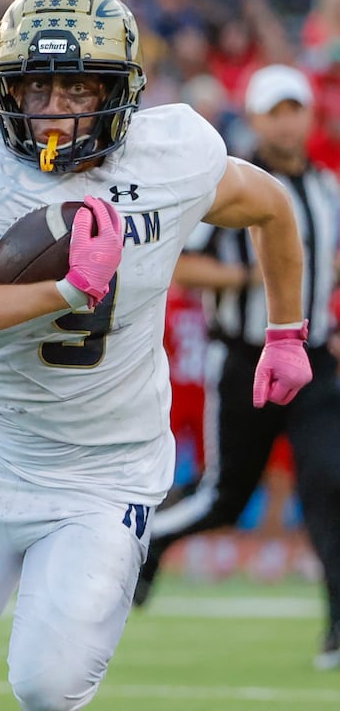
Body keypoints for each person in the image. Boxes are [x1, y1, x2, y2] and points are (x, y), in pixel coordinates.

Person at [0, 0, 311, 711]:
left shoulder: (169, 157)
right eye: (37, 88)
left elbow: (275, 207)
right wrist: (63, 291)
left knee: (48, 687)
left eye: (78, 89)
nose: (55, 112)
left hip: (108, 475)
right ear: (5, 91)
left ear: (119, 90)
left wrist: (286, 331)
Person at [135, 64, 340, 670]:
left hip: (315, 361)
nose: (286, 121)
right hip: (245, 356)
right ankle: (149, 545)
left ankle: (338, 628)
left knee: (331, 485)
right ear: (254, 118)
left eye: (294, 109)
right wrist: (259, 275)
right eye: (274, 111)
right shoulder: (230, 184)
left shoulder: (329, 187)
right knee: (226, 495)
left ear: (309, 115)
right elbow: (184, 268)